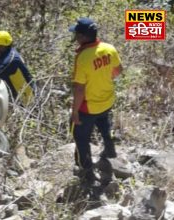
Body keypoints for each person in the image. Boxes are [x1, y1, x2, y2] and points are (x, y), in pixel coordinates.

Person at [69, 18, 123, 183]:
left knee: (80, 137)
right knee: (104, 125)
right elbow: (118, 70)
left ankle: (85, 170)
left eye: (77, 34)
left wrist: (75, 111)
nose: (75, 37)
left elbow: (79, 89)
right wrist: (103, 79)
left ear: (83, 36)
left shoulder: (83, 57)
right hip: (107, 100)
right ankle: (110, 151)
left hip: (88, 106)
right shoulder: (109, 48)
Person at [0, 31, 35, 106]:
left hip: (27, 100)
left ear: (1, 47)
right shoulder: (8, 54)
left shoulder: (11, 60)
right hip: (20, 96)